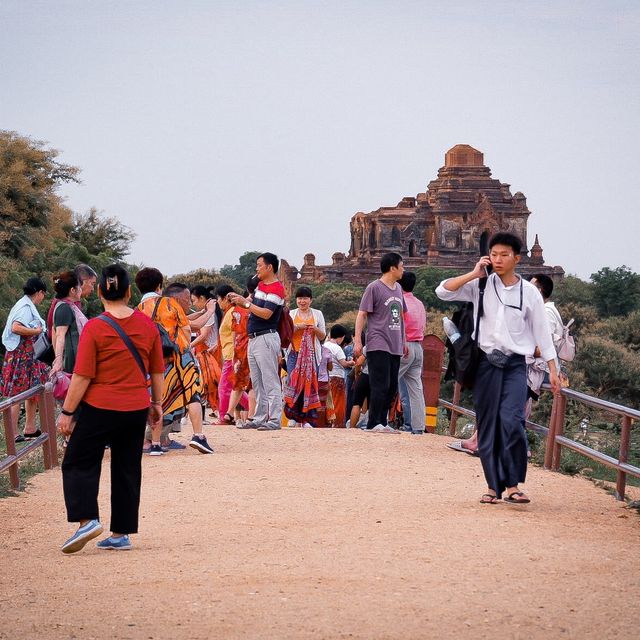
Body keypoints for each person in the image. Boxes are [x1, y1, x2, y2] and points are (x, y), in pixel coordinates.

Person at [435, 232, 561, 504]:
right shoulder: (481, 285)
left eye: (505, 255)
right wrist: (473, 274)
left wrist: (553, 368)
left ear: (517, 258)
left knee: (513, 421)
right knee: (488, 425)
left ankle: (514, 485)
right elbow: (443, 291)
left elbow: (542, 334)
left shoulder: (529, 293)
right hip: (486, 364)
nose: (498, 260)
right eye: (494, 254)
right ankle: (494, 487)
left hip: (516, 365)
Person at [57, 264, 164, 553]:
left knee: (78, 461)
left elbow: (82, 377)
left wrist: (67, 413)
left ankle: (87, 520)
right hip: (135, 408)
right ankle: (121, 533)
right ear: (130, 292)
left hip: (100, 407)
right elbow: (157, 372)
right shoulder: (147, 326)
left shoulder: (95, 327)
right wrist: (156, 404)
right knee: (128, 467)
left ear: (101, 292)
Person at [135, 268, 213, 454]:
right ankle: (198, 436)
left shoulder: (138, 310)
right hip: (179, 355)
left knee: (157, 400)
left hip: (154, 358)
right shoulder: (168, 303)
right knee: (192, 394)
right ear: (159, 286)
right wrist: (210, 311)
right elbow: (188, 327)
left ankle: (154, 443)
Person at [229, 252, 285, 431]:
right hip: (254, 338)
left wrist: (244, 304)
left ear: (269, 267)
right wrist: (239, 299)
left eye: (259, 265)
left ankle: (274, 418)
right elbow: (251, 304)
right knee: (257, 381)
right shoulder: (261, 286)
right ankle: (260, 417)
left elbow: (266, 313)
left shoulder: (276, 288)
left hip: (266, 337)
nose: (257, 269)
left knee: (270, 380)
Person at [354, 252, 407, 433]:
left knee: (392, 385)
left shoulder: (399, 289)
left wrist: (404, 340)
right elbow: (362, 314)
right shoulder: (374, 288)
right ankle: (373, 423)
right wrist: (357, 341)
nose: (403, 269)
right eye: (402, 266)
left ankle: (382, 422)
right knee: (380, 383)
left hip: (395, 344)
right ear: (392, 268)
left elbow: (401, 317)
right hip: (378, 341)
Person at [1, 277, 50, 442]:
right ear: (39, 292)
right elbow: (16, 327)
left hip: (28, 355)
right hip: (21, 356)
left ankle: (30, 428)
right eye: (43, 293)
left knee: (33, 389)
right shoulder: (24, 307)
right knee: (17, 393)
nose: (43, 297)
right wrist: (36, 332)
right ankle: (13, 434)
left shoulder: (25, 304)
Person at [284, 286, 326, 427]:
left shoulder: (318, 314)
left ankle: (308, 418)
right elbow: (285, 334)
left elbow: (323, 336)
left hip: (312, 355)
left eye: (305, 298)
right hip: (294, 354)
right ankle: (294, 416)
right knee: (293, 383)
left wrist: (314, 329)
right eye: (300, 298)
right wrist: (297, 327)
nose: (302, 301)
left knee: (310, 385)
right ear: (296, 300)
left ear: (311, 300)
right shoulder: (291, 314)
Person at [397, 271, 427, 434]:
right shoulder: (419, 303)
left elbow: (397, 325)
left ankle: (372, 419)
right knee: (416, 389)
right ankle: (418, 427)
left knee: (386, 383)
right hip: (418, 346)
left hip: (404, 346)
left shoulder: (399, 302)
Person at [215, 284, 249, 424]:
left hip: (233, 355)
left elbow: (237, 334)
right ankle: (256, 409)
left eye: (218, 299)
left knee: (225, 387)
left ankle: (224, 416)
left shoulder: (234, 312)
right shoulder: (229, 312)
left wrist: (237, 356)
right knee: (236, 387)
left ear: (225, 299)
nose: (217, 302)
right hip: (230, 354)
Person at [189, 285, 221, 419]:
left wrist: (189, 345)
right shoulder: (207, 311)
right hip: (205, 351)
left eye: (194, 300)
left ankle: (220, 411)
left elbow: (204, 335)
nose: (193, 304)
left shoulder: (210, 313)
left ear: (202, 298)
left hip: (210, 352)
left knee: (212, 383)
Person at [50, 271, 88, 377]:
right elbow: (59, 335)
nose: (81, 290)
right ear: (72, 290)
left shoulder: (67, 305)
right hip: (70, 359)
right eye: (79, 287)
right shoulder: (64, 307)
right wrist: (58, 360)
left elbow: (54, 331)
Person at [46, 263, 97, 336]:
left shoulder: (72, 301)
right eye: (92, 284)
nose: (93, 289)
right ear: (82, 281)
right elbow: (58, 335)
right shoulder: (65, 305)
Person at [323, 324, 355, 428]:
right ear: (341, 337)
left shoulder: (324, 345)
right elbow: (344, 363)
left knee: (327, 402)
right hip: (337, 378)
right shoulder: (337, 348)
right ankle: (337, 424)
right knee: (338, 403)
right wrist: (351, 362)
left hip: (325, 377)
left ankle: (326, 423)